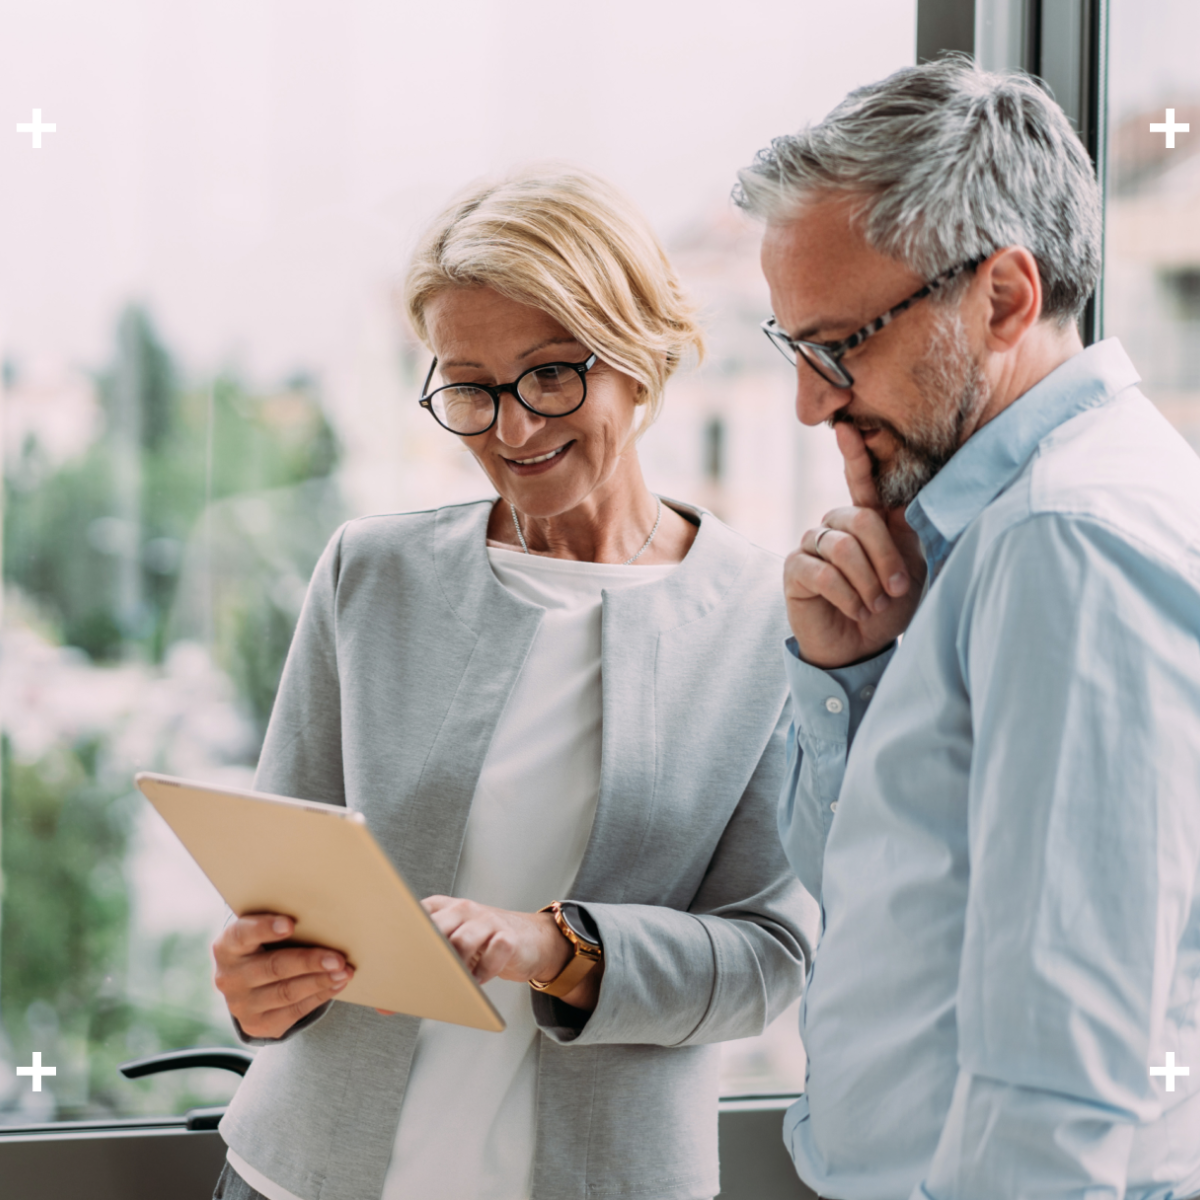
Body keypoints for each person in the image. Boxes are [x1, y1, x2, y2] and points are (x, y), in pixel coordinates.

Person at [207, 165, 817, 1200]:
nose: (513, 429)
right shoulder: (373, 573)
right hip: (303, 1177)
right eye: (470, 387)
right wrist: (257, 986)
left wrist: (558, 948)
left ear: (640, 354)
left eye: (549, 375)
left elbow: (768, 960)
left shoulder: (770, 621)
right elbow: (284, 892)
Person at [735, 58, 1200, 1200]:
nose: (812, 402)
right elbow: (886, 893)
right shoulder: (986, 531)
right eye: (794, 350)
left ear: (1003, 297)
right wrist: (853, 675)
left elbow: (1063, 1064)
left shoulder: (1067, 540)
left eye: (841, 346)